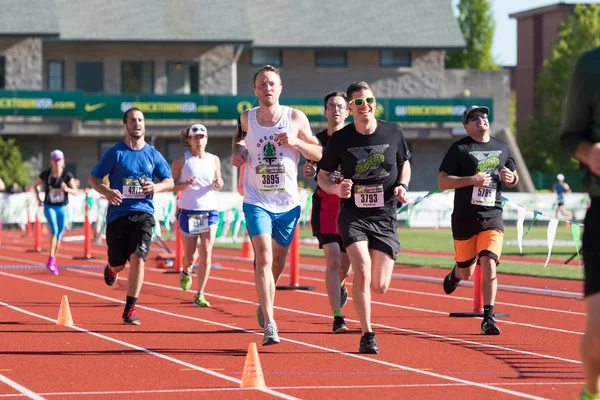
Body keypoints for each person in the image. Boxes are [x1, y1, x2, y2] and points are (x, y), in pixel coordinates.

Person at [317, 81, 411, 354]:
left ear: (374, 102)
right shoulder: (341, 139)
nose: (364, 106)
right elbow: (323, 175)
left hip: (385, 216)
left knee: (379, 286)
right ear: (350, 107)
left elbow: (405, 162)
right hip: (353, 215)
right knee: (361, 269)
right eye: (358, 102)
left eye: (368, 100)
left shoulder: (394, 131)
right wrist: (336, 188)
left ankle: (357, 292)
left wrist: (402, 185)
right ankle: (367, 333)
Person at [232, 65, 323, 345]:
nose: (267, 88)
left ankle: (264, 301)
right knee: (264, 257)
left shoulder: (295, 117)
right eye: (262, 84)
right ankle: (270, 323)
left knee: (278, 261)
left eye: (272, 83)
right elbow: (237, 141)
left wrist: (296, 142)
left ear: (280, 89)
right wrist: (239, 152)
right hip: (256, 200)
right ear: (255, 90)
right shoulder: (247, 118)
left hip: (287, 203)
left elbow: (318, 151)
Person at [88, 107, 173, 325]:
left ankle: (130, 308)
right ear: (125, 125)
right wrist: (106, 191)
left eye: (140, 120)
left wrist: (155, 187)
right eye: (133, 121)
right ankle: (110, 268)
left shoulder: (153, 154)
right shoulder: (116, 153)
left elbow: (169, 181)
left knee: (138, 259)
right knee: (119, 264)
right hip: (118, 215)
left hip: (143, 213)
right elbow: (93, 178)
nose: (137, 124)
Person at [438, 105, 518, 336]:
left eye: (483, 115)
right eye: (473, 117)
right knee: (467, 273)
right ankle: (455, 273)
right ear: (466, 125)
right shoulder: (459, 148)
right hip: (464, 218)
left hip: (492, 215)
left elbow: (513, 177)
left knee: (489, 262)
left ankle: (488, 317)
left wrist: (512, 178)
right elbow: (443, 181)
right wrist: (471, 180)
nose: (480, 119)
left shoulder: (502, 147)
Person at [558, 47, 600, 400]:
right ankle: (592, 392)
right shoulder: (591, 65)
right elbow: (569, 136)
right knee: (599, 336)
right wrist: (590, 153)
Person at [303, 91, 352, 334]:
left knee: (345, 265)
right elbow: (311, 163)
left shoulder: (355, 138)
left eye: (340, 106)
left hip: (351, 208)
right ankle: (337, 317)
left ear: (347, 111)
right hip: (325, 205)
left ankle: (341, 283)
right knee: (332, 260)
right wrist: (309, 169)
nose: (335, 110)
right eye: (331, 106)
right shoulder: (317, 140)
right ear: (325, 111)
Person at [171, 123, 224, 307]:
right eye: (195, 137)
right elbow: (168, 183)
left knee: (207, 250)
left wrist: (218, 183)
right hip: (189, 212)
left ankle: (200, 293)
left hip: (209, 211)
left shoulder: (214, 159)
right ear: (189, 140)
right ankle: (186, 270)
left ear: (207, 139)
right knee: (191, 257)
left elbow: (219, 180)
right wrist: (183, 185)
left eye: (202, 137)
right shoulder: (181, 161)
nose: (199, 140)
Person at [33, 150, 78, 275]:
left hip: (62, 207)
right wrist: (39, 198)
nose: (57, 162)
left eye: (59, 160)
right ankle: (51, 259)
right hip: (49, 206)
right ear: (51, 161)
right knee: (53, 230)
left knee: (59, 234)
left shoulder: (67, 175)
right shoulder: (46, 174)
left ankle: (52, 260)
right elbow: (35, 185)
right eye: (55, 160)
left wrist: (66, 188)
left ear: (63, 161)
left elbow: (75, 191)